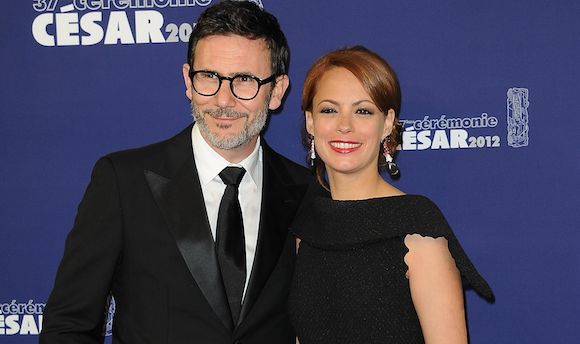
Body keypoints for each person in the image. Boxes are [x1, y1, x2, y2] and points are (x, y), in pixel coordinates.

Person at [40, 1, 311, 343]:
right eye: (209, 77)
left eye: (244, 80)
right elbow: (67, 327)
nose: (223, 100)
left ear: (277, 90)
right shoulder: (123, 182)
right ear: (188, 79)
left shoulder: (305, 192)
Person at [287, 46, 494, 344]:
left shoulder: (417, 230)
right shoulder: (306, 228)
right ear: (310, 122)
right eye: (329, 110)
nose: (344, 125)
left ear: (387, 123)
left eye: (363, 111)